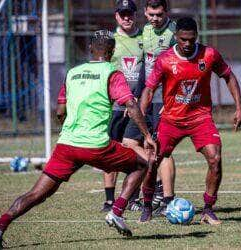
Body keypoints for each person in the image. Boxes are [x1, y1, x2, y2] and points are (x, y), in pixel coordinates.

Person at [0, 30, 157, 249]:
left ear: (90, 49)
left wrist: (69, 125)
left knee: (37, 193)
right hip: (95, 145)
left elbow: (60, 111)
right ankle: (116, 212)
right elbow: (131, 105)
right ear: (112, 51)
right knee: (142, 164)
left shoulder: (73, 73)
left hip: (66, 144)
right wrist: (147, 135)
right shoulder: (112, 73)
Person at [139, 17, 241, 224]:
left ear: (196, 36)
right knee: (152, 161)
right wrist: (142, 118)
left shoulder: (209, 54)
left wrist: (239, 107)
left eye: (191, 39)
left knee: (215, 159)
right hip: (171, 120)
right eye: (182, 39)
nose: (187, 43)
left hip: (200, 118)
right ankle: (147, 206)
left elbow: (229, 76)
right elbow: (149, 89)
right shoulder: (165, 60)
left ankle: (208, 209)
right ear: (176, 36)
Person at [101, 0, 145, 213]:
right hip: (116, 106)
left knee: (136, 149)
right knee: (111, 150)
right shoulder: (110, 41)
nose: (126, 17)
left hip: (138, 104)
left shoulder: (144, 38)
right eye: (122, 14)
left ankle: (134, 197)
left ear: (135, 15)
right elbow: (104, 71)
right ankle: (109, 200)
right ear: (116, 16)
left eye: (130, 14)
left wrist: (136, 98)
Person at [142, 0, 177, 216]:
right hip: (147, 97)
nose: (155, 18)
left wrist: (169, 100)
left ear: (166, 13)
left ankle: (168, 199)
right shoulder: (144, 31)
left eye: (159, 14)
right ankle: (156, 190)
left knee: (163, 148)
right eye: (151, 14)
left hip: (164, 99)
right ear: (145, 13)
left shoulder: (174, 33)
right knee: (140, 145)